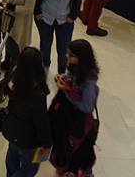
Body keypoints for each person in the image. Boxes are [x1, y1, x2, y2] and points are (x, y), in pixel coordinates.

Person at [50, 39, 100, 176]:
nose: (67, 56)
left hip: (79, 122)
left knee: (78, 152)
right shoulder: (76, 68)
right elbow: (71, 78)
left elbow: (86, 107)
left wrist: (66, 91)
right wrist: (63, 78)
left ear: (81, 58)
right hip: (69, 117)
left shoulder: (89, 82)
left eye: (71, 55)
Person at [2, 47, 52, 177]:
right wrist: (47, 144)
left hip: (11, 129)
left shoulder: (12, 79)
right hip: (29, 140)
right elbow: (41, 123)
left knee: (12, 158)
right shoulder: (37, 95)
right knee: (28, 170)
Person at [35, 0, 83, 74]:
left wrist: (73, 16)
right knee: (45, 45)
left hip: (64, 21)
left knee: (63, 49)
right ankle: (44, 66)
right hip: (45, 18)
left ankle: (62, 72)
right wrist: (37, 11)